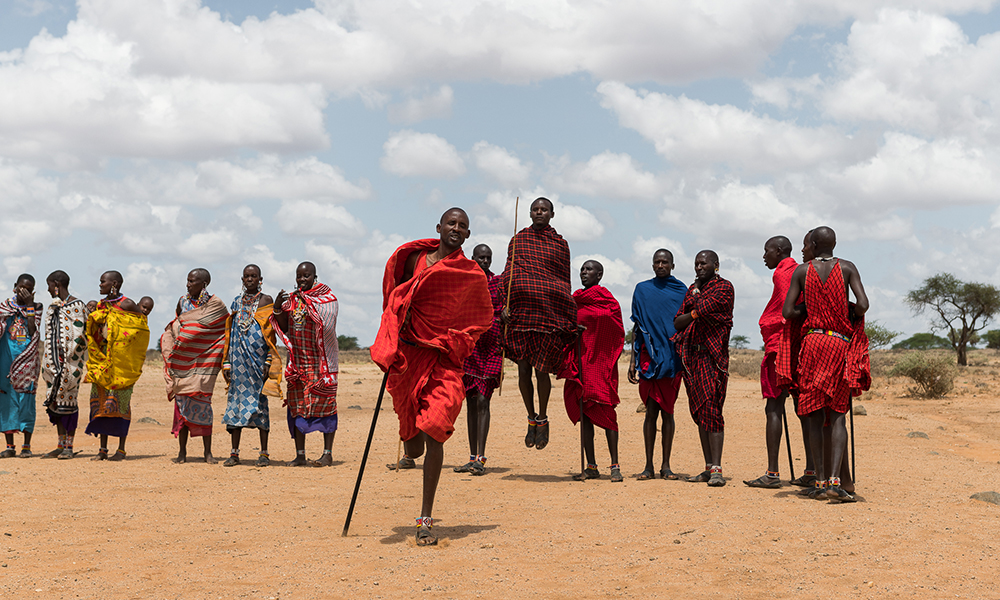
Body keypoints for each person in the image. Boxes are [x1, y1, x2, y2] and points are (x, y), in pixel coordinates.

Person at [371, 207, 493, 546]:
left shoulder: (470, 274)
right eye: (451, 223)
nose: (456, 228)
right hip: (408, 358)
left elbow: (480, 319)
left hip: (444, 360)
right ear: (439, 227)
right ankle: (413, 438)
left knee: (435, 429)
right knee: (414, 444)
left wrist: (455, 340)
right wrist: (393, 331)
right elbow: (392, 298)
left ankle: (425, 517)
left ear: (468, 235)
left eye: (463, 226)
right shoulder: (413, 260)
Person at [781, 226, 870, 502]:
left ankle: (819, 482)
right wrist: (845, 307)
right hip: (838, 343)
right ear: (834, 244)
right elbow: (864, 305)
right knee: (839, 413)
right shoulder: (847, 267)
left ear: (814, 244)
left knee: (814, 414)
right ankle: (835, 482)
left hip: (811, 344)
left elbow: (788, 312)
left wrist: (809, 309)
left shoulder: (801, 271)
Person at [499, 197, 578, 451]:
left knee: (541, 369)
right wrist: (505, 305)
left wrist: (565, 310)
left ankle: (542, 418)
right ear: (530, 213)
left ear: (552, 214)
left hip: (547, 315)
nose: (539, 212)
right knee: (523, 370)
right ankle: (530, 416)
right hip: (521, 314)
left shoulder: (560, 244)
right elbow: (508, 273)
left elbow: (563, 281)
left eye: (544, 209)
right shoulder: (519, 240)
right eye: (535, 209)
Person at [559, 260, 625, 482]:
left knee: (607, 412)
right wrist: (573, 330)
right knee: (585, 412)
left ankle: (615, 465)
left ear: (600, 275)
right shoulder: (575, 300)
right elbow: (564, 325)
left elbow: (616, 330)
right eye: (582, 270)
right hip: (581, 362)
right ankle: (591, 466)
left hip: (601, 363)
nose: (584, 273)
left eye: (589, 270)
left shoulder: (609, 302)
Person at [673, 251, 734, 487]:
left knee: (711, 408)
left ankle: (717, 468)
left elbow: (706, 307)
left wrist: (695, 305)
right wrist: (695, 310)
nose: (699, 267)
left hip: (713, 356)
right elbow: (678, 322)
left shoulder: (724, 287)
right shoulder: (692, 289)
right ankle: (708, 467)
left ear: (715, 265)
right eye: (696, 263)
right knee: (699, 412)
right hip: (692, 357)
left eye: (703, 263)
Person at [272, 262, 340, 467]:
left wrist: (309, 304)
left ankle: (327, 454)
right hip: (298, 364)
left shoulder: (325, 298)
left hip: (321, 364)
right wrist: (277, 308)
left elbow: (327, 322)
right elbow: (283, 328)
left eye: (306, 276)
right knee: (297, 408)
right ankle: (300, 455)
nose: (302, 279)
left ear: (314, 276)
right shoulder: (292, 301)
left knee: (326, 407)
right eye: (299, 276)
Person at [743, 236, 799, 488]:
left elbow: (785, 309)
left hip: (780, 346)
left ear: (778, 251)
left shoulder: (783, 273)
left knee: (774, 408)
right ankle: (810, 470)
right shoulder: (798, 270)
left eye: (767, 251)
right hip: (797, 346)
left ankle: (773, 473)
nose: (764, 256)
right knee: (803, 408)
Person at [628, 249, 686, 481]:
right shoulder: (642, 290)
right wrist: (632, 360)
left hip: (672, 358)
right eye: (657, 262)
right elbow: (637, 325)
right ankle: (648, 466)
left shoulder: (682, 290)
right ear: (652, 265)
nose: (660, 265)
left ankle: (666, 466)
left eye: (665, 262)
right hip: (648, 357)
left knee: (669, 412)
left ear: (672, 265)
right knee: (650, 412)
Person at [161, 268, 228, 464]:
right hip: (183, 364)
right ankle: (182, 453)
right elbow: (179, 324)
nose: (188, 284)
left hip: (205, 363)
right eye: (187, 280)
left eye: (192, 281)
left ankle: (208, 453)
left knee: (204, 408)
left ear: (204, 284)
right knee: (181, 409)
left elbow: (221, 330)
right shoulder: (182, 301)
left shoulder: (216, 304)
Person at [221, 264, 282, 467]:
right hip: (238, 363)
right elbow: (230, 335)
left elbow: (270, 334)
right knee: (236, 404)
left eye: (253, 276)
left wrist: (267, 361)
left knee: (260, 406)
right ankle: (234, 453)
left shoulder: (266, 301)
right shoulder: (236, 303)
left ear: (260, 279)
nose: (250, 279)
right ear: (242, 279)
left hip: (257, 365)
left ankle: (264, 453)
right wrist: (227, 363)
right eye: (246, 276)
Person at [85, 271, 149, 460]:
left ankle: (121, 450)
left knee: (121, 404)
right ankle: (102, 450)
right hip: (102, 362)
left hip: (121, 364)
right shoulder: (100, 305)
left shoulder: (127, 304)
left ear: (115, 283)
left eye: (102, 282)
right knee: (101, 405)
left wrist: (122, 343)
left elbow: (141, 328)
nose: (100, 285)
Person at [454, 244, 503, 476]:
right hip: (471, 348)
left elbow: (505, 309)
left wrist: (505, 314)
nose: (485, 261)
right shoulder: (466, 281)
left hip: (492, 347)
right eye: (481, 257)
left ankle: (481, 458)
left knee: (484, 400)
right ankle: (472, 456)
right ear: (473, 258)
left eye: (488, 258)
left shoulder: (500, 283)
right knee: (471, 401)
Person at [40, 271, 88, 459]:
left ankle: (69, 446)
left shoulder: (77, 306)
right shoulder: (52, 307)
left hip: (70, 366)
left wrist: (67, 357)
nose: (48, 289)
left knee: (68, 404)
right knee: (56, 404)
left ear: (57, 284)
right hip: (52, 367)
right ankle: (60, 445)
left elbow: (80, 335)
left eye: (50, 285)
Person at [0, 274, 42, 458]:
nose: (24, 291)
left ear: (32, 291)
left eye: (28, 289)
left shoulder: (36, 308)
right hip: (5, 360)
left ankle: (26, 446)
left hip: (27, 361)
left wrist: (30, 306)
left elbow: (33, 331)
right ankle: (10, 446)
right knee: (6, 401)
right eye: (21, 287)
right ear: (14, 287)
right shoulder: (3, 308)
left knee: (26, 401)